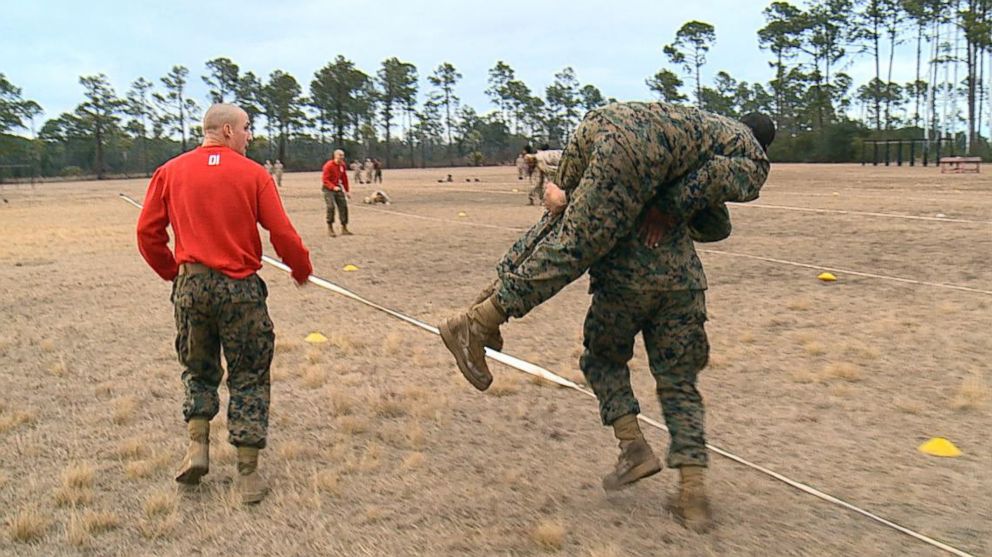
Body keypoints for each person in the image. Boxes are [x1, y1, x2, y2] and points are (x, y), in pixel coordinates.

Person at [438, 102, 774, 531]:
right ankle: (693, 495)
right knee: (679, 384)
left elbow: (568, 208)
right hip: (679, 285)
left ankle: (483, 316)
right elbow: (716, 221)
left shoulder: (685, 141)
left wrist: (589, 193)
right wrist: (667, 211)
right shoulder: (738, 154)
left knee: (565, 233)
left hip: (619, 255)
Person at [136, 103, 313, 505]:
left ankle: (197, 448)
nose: (250, 136)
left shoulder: (170, 171)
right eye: (247, 128)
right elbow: (281, 232)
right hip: (241, 291)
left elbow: (147, 233)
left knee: (198, 369)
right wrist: (300, 268)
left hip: (192, 288)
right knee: (248, 374)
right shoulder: (254, 175)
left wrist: (174, 274)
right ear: (229, 131)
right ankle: (247, 475)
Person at [322, 149, 353, 237]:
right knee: (330, 206)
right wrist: (332, 187)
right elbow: (325, 180)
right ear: (335, 156)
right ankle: (330, 227)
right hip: (328, 188)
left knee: (343, 206)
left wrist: (347, 191)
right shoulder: (328, 166)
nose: (342, 157)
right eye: (340, 155)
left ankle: (344, 227)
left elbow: (344, 178)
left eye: (343, 155)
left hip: (337, 187)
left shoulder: (342, 165)